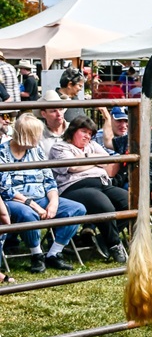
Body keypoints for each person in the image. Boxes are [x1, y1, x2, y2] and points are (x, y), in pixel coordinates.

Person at [1, 113, 88, 273]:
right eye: (36, 135)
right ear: (26, 135)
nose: (39, 138)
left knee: (77, 209)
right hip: (16, 201)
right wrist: (34, 205)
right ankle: (37, 255)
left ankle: (54, 254)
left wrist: (54, 202)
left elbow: (49, 180)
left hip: (41, 198)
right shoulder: (3, 153)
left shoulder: (37, 151)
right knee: (28, 214)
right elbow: (5, 190)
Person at [49, 116, 130, 263]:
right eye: (84, 131)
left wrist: (85, 156)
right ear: (73, 131)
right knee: (104, 205)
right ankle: (114, 245)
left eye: (90, 133)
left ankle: (102, 240)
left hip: (102, 184)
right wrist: (95, 162)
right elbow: (73, 167)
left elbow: (108, 160)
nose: (87, 136)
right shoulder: (60, 147)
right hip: (74, 187)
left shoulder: (91, 146)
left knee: (131, 202)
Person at [38, 90, 70, 157]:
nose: (59, 114)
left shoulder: (74, 129)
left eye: (61, 109)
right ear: (43, 114)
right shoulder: (38, 134)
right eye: (53, 111)